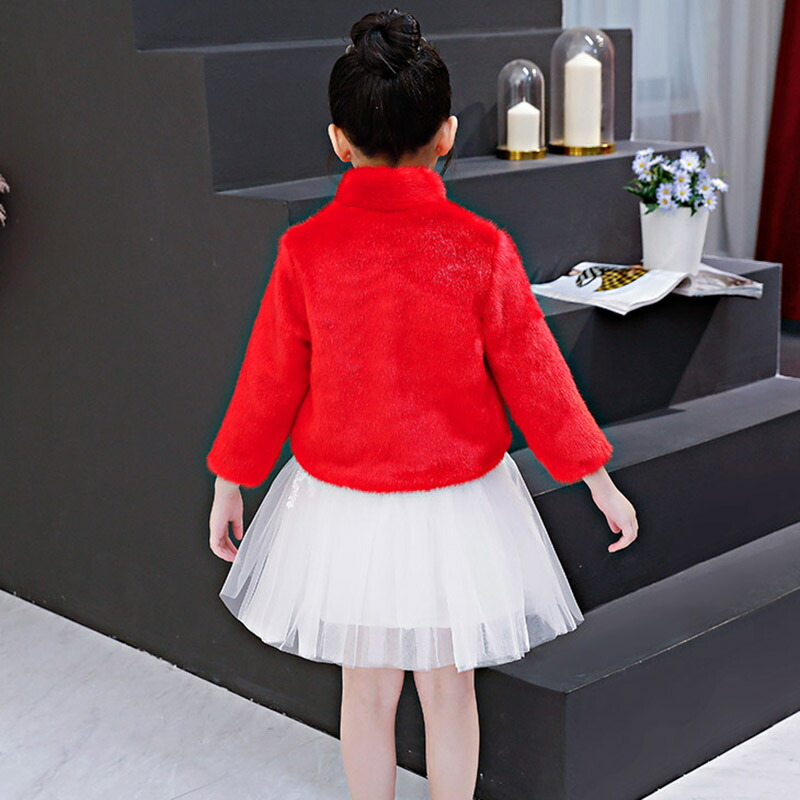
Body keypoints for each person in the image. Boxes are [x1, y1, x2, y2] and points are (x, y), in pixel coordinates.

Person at [207, 8, 638, 800]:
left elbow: (270, 378)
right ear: (447, 135)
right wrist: (597, 480)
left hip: (343, 508)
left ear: (339, 140)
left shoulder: (307, 250)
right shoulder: (480, 248)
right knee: (450, 693)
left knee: (366, 695)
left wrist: (231, 478)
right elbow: (536, 376)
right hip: (458, 508)